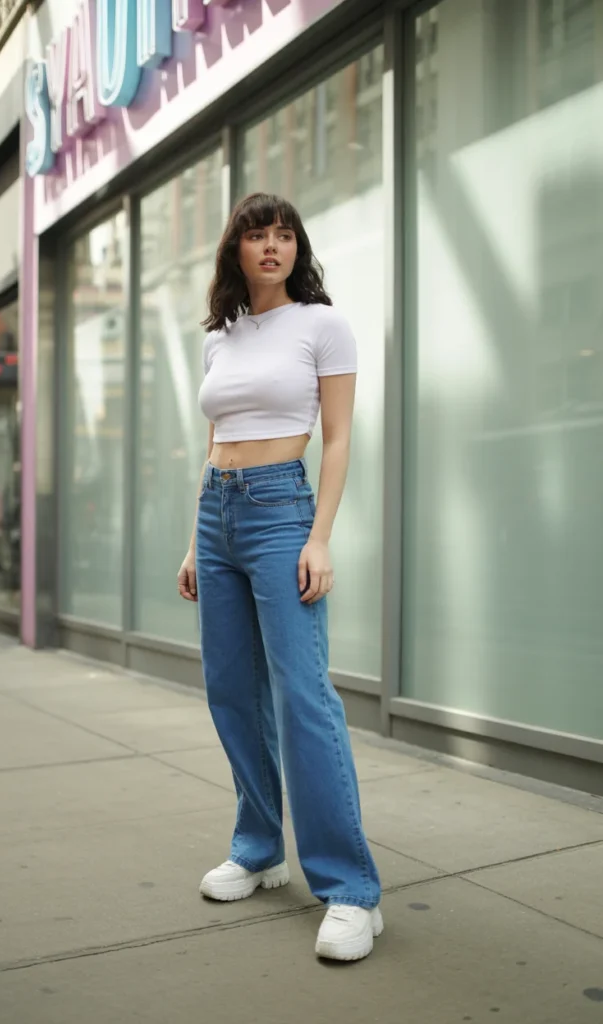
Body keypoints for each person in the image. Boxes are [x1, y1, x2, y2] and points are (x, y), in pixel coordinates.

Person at [177, 192, 382, 962]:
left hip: (280, 513)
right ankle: (259, 847)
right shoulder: (219, 338)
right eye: (256, 235)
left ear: (298, 248)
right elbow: (214, 440)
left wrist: (319, 536)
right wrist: (195, 543)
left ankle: (350, 890)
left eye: (284, 234)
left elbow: (335, 442)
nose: (271, 246)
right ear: (235, 250)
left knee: (303, 695)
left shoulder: (322, 324)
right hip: (218, 517)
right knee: (231, 689)